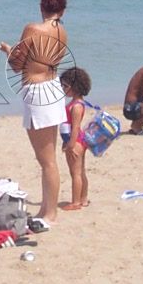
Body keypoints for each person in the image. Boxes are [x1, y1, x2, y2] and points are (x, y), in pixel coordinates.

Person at [0, 0, 68, 223]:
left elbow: (18, 65)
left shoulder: (33, 29)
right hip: (54, 88)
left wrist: (8, 50)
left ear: (42, 7)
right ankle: (47, 209)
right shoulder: (62, 32)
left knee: (46, 160)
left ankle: (51, 212)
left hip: (37, 92)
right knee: (48, 158)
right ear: (63, 10)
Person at [59, 67, 92, 211]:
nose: (63, 89)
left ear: (75, 87)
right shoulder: (76, 103)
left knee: (76, 173)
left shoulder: (77, 106)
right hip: (76, 141)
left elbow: (75, 128)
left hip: (76, 141)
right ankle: (83, 199)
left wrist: (70, 145)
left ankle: (76, 202)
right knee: (80, 172)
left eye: (65, 86)